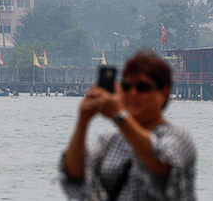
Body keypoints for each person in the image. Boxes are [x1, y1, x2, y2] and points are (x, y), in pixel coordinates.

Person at [60, 50, 197, 200]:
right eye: (127, 86)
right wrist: (83, 121)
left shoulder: (178, 136)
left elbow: (161, 163)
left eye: (142, 87)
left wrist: (119, 115)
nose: (133, 93)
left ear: (164, 93)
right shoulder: (111, 141)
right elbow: (75, 175)